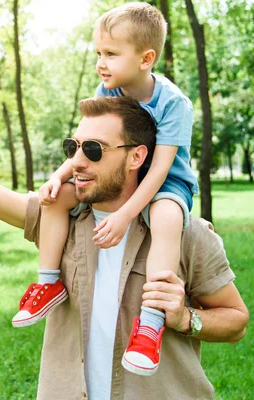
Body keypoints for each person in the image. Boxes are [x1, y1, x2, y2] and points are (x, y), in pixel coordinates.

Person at [0, 57, 249, 400]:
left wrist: (185, 318)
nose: (78, 161)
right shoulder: (61, 220)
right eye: (72, 147)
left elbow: (235, 321)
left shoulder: (184, 232)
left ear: (136, 157)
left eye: (93, 150)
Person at [11, 2, 198, 377]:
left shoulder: (173, 103)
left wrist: (127, 214)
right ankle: (48, 283)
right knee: (57, 199)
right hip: (117, 177)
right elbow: (89, 144)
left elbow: (159, 168)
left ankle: (149, 323)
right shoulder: (107, 89)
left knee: (165, 219)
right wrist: (59, 175)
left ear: (146, 58)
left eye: (111, 54)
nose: (101, 62)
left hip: (165, 183)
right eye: (99, 53)